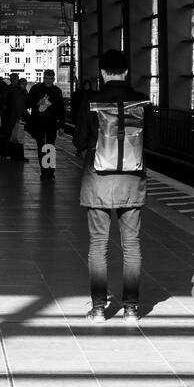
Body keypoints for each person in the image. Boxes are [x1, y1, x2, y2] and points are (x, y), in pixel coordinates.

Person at [74, 50, 148, 324]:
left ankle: (98, 309)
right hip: (132, 180)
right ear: (126, 72)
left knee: (98, 245)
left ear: (103, 73)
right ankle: (131, 309)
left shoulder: (91, 100)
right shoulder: (142, 99)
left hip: (98, 181)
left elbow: (79, 139)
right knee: (131, 245)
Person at [26, 70, 66, 180]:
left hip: (51, 123)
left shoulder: (57, 91)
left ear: (53, 79)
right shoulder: (36, 89)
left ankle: (50, 171)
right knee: (41, 146)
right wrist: (37, 103)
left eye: (51, 78)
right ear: (44, 78)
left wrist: (61, 126)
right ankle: (44, 171)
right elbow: (28, 103)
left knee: (50, 147)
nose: (49, 80)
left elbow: (61, 109)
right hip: (38, 122)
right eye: (47, 78)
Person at [5, 74, 28, 161]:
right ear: (20, 84)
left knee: (16, 136)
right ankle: (16, 156)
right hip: (16, 118)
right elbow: (19, 106)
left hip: (15, 117)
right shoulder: (18, 92)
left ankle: (15, 155)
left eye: (26, 84)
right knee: (16, 137)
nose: (25, 86)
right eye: (24, 84)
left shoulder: (20, 91)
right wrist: (19, 118)